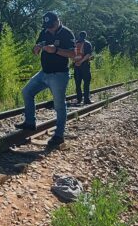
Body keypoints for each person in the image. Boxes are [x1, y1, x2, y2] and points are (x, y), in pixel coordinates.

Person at [16, 11, 76, 147]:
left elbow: (73, 54)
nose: (48, 28)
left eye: (50, 25)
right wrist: (36, 48)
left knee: (59, 105)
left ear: (57, 21)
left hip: (59, 75)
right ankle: (30, 122)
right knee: (27, 92)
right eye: (46, 25)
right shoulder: (44, 32)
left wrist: (55, 50)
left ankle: (59, 136)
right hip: (44, 73)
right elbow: (35, 48)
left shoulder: (67, 33)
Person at [72, 31, 95, 104]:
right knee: (86, 82)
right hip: (84, 66)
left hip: (76, 66)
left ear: (79, 36)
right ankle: (86, 99)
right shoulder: (87, 44)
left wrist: (76, 62)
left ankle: (79, 99)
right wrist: (82, 61)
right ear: (85, 36)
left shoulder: (75, 44)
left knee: (77, 83)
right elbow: (88, 55)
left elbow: (71, 54)